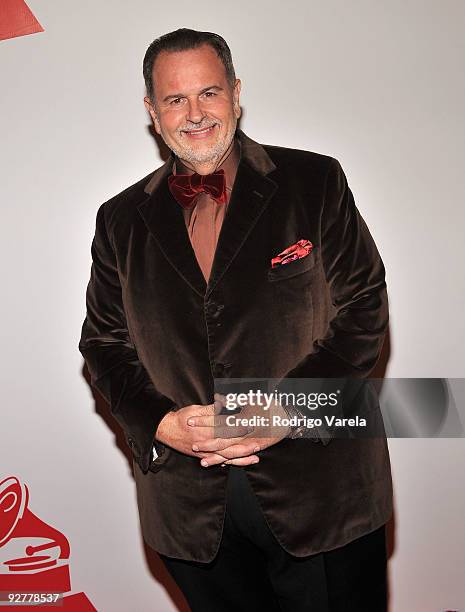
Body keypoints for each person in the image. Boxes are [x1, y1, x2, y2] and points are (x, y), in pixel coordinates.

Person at [79, 28, 393, 612]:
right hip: (190, 509)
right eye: (174, 100)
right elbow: (102, 343)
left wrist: (284, 409)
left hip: (321, 491)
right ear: (152, 111)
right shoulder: (120, 219)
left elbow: (363, 310)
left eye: (209, 93)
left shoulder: (314, 182)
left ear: (236, 94)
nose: (194, 114)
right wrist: (162, 424)